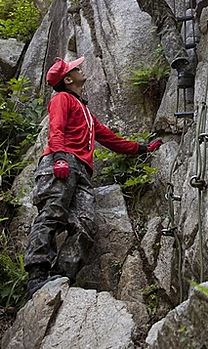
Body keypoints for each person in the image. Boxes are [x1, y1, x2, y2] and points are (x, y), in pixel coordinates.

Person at [24, 56, 163, 300]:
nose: (80, 69)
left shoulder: (85, 110)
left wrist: (142, 148)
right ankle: (36, 276)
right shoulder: (62, 98)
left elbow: (109, 138)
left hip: (82, 173)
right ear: (68, 79)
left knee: (86, 224)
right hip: (61, 162)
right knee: (52, 213)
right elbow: (55, 129)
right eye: (76, 68)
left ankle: (60, 276)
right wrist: (58, 158)